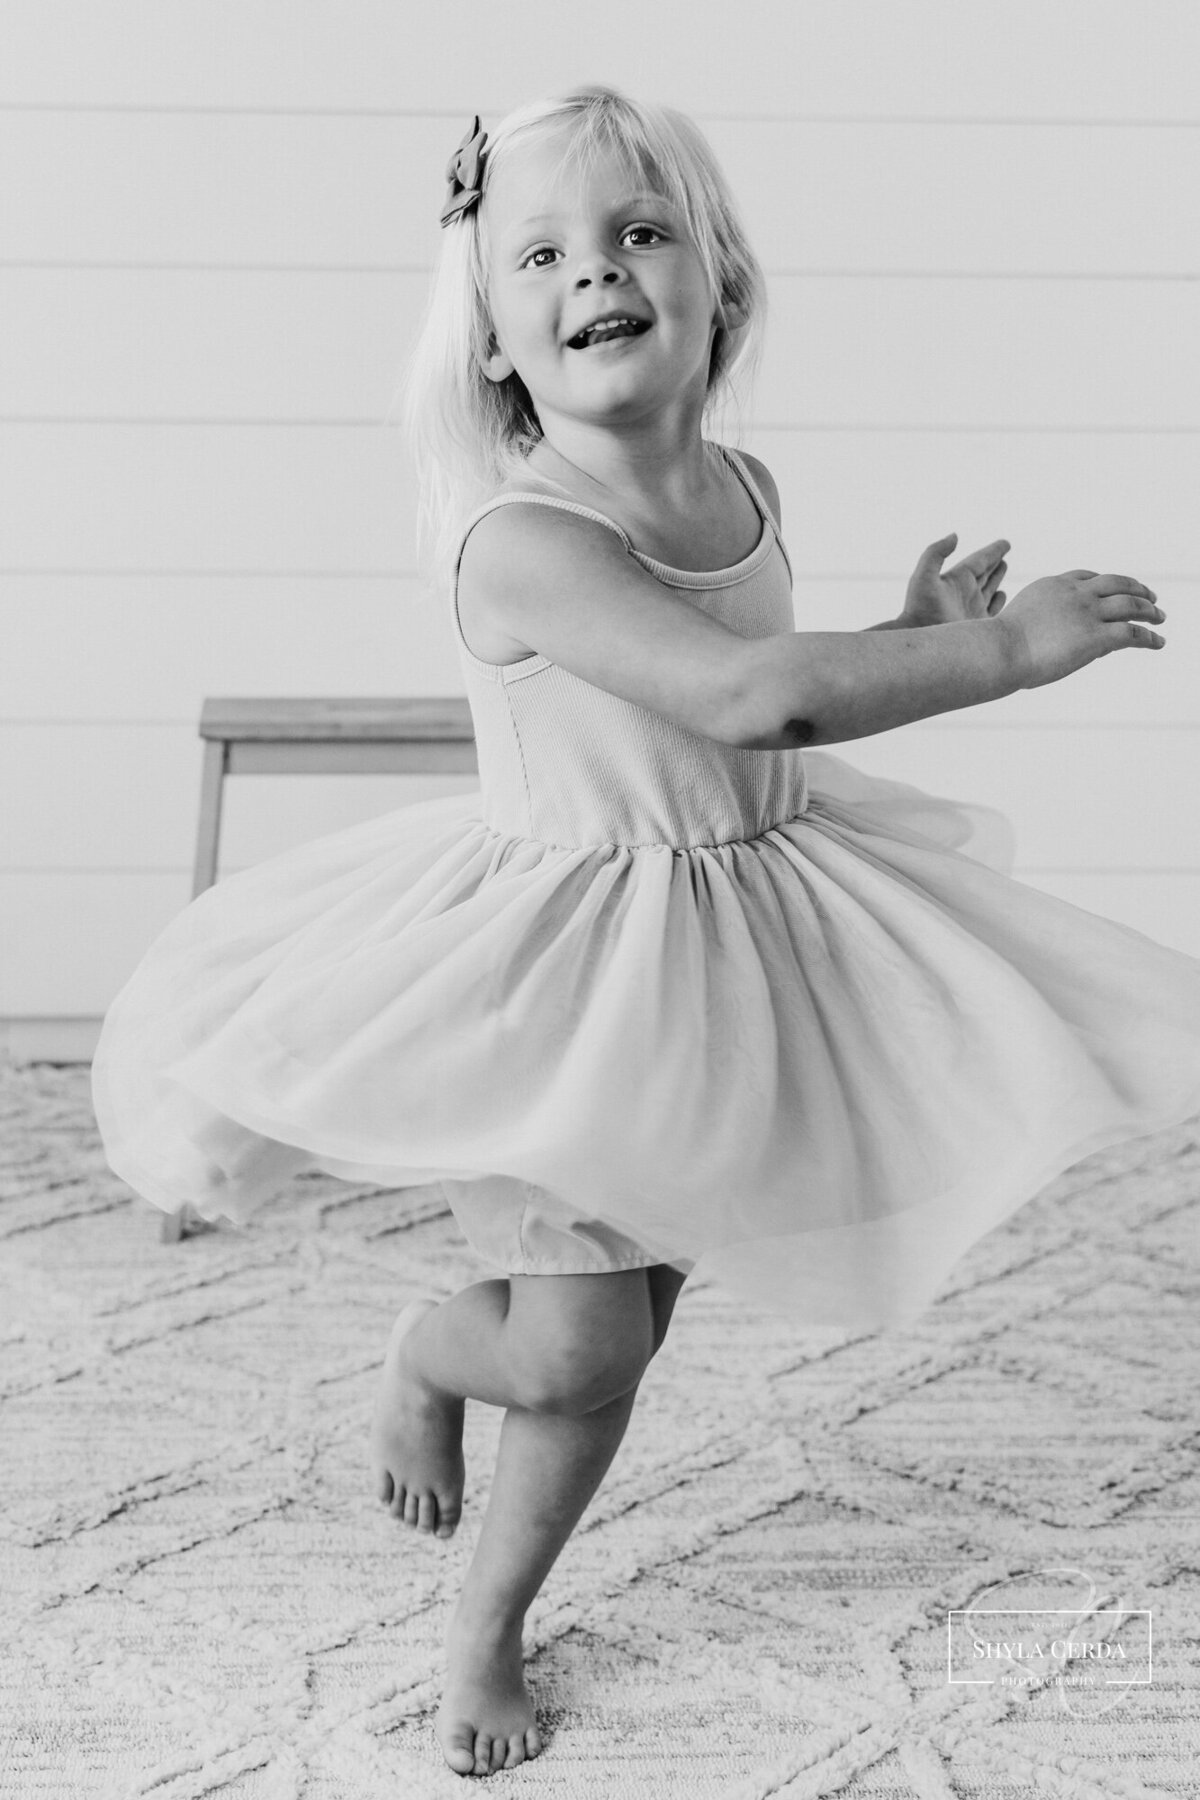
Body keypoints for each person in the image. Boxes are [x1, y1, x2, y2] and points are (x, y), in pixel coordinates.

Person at [91, 85, 1200, 1778]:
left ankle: (486, 1520)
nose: (595, 272)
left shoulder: (741, 484)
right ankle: (445, 1433)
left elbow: (760, 681)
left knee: (625, 1332)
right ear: (491, 343)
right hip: (568, 983)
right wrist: (998, 654)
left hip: (725, 953)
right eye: (539, 255)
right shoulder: (524, 539)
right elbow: (754, 699)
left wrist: (894, 634)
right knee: (580, 1346)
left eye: (636, 233)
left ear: (719, 285)